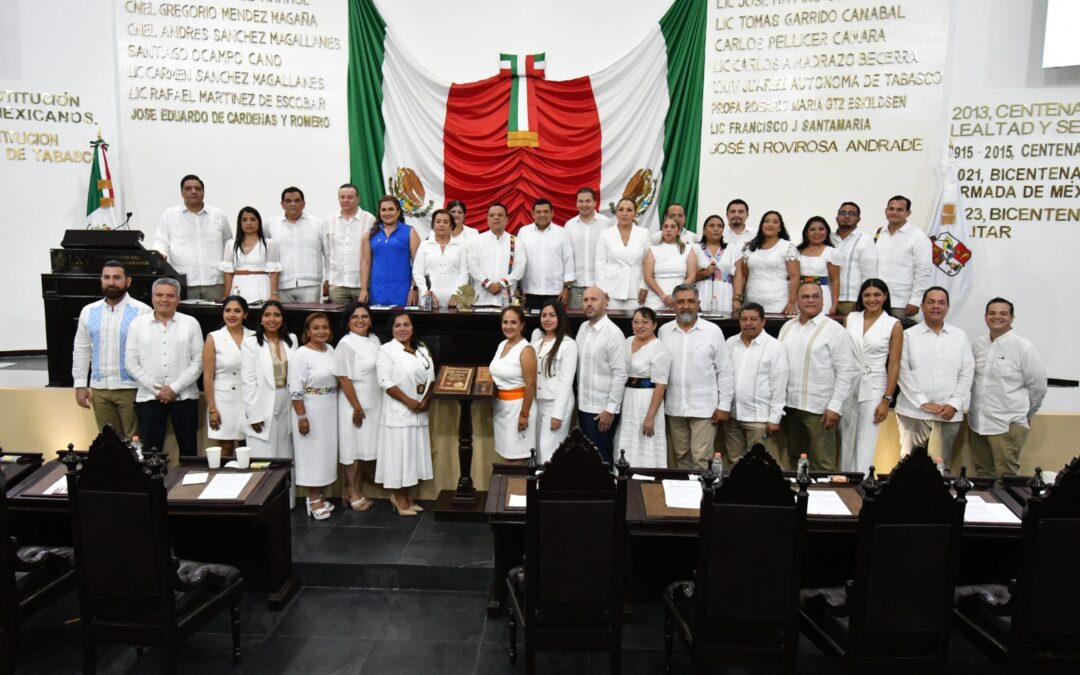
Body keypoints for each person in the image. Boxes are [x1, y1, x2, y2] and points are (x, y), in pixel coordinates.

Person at [778, 282, 857, 471]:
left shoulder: (835, 331)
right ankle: (800, 499)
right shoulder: (787, 327)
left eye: (816, 296)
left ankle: (824, 500)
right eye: (805, 297)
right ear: (797, 300)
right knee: (795, 459)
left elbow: (846, 372)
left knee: (822, 464)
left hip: (820, 410)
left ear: (823, 300)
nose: (810, 300)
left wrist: (835, 407)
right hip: (791, 407)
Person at [968, 298, 1048, 479]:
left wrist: (1025, 415)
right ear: (986, 317)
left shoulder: (1024, 348)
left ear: (1012, 318)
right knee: (983, 477)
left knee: (1006, 479)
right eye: (992, 313)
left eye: (1003, 313)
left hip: (1007, 424)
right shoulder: (978, 345)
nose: (997, 317)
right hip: (977, 424)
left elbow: (1038, 387)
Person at [72, 261, 151, 438]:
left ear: (128, 281)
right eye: (106, 277)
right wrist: (80, 385)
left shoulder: (142, 311)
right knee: (109, 443)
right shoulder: (89, 311)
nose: (111, 282)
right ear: (101, 280)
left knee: (135, 442)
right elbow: (82, 349)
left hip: (132, 388)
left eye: (117, 277)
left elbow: (148, 353)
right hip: (100, 389)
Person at [124, 278, 203, 456]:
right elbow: (130, 363)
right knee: (151, 452)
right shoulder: (138, 324)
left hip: (185, 396)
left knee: (189, 450)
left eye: (170, 296)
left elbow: (198, 362)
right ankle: (155, 484)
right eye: (159, 295)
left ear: (178, 299)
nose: (164, 300)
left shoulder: (191, 323)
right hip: (149, 396)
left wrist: (174, 388)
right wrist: (158, 389)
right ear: (152, 298)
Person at [895, 287, 974, 462]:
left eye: (941, 302)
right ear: (922, 306)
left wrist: (954, 404)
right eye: (930, 302)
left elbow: (967, 373)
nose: (936, 306)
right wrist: (923, 402)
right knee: (909, 467)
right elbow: (901, 371)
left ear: (947, 307)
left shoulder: (959, 336)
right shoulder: (908, 336)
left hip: (948, 414)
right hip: (913, 412)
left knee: (940, 467)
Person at [659, 284, 733, 470]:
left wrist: (724, 405)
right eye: (681, 302)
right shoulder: (664, 331)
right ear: (673, 305)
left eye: (691, 301)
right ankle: (685, 496)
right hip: (674, 407)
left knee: (701, 458)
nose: (686, 306)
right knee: (680, 455)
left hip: (704, 409)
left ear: (698, 304)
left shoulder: (713, 331)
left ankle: (703, 497)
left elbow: (724, 370)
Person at [839, 279, 901, 475]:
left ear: (885, 297)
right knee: (845, 435)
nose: (872, 299)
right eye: (867, 295)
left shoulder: (893, 324)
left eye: (877, 295)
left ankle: (861, 484)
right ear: (861, 297)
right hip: (849, 382)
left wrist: (886, 399)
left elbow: (894, 363)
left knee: (866, 437)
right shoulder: (850, 318)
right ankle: (843, 480)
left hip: (875, 384)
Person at [375, 311, 435, 515]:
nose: (402, 329)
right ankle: (398, 498)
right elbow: (385, 382)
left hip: (419, 411)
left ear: (412, 327)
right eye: (397, 325)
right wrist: (409, 401)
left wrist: (426, 398)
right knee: (398, 457)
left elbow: (432, 376)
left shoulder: (421, 349)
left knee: (412, 457)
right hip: (399, 412)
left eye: (406, 325)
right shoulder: (386, 350)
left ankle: (408, 496)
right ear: (391, 329)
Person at [723, 303, 788, 466]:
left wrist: (775, 417)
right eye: (744, 319)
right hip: (732, 416)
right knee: (734, 463)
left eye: (753, 319)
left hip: (760, 419)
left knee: (761, 466)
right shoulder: (730, 343)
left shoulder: (774, 347)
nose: (748, 323)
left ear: (763, 322)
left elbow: (779, 385)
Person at [289, 313, 339, 520]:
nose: (321, 332)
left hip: (329, 408)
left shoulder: (331, 350)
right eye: (316, 328)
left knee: (325, 455)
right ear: (307, 332)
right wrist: (302, 416)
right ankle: (312, 499)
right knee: (311, 455)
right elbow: (295, 389)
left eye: (325, 327)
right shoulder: (301, 354)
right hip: (309, 409)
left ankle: (321, 495)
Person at [152, 174, 232, 301]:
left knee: (217, 319)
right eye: (188, 188)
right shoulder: (169, 215)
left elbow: (229, 244)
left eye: (198, 188)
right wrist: (160, 254)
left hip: (215, 281)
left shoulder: (218, 215)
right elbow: (161, 242)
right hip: (184, 282)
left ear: (203, 192)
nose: (193, 191)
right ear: (181, 192)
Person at [334, 302, 381, 511]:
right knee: (351, 450)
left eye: (364, 316)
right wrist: (357, 407)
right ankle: (351, 491)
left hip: (373, 400)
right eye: (355, 317)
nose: (360, 320)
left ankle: (355, 488)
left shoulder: (374, 339)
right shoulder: (346, 343)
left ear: (370, 320)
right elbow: (343, 378)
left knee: (363, 450)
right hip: (354, 403)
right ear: (348, 322)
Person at [576, 287, 629, 464]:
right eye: (585, 300)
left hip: (601, 410)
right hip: (583, 405)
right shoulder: (583, 328)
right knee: (587, 459)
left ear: (606, 302)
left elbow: (621, 374)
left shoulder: (613, 333)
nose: (589, 303)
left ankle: (608, 492)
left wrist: (610, 409)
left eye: (594, 299)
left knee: (602, 459)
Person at [614, 307, 671, 468]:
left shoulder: (659, 349)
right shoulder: (626, 342)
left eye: (645, 322)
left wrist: (650, 417)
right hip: (627, 399)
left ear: (654, 325)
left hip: (646, 400)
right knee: (626, 441)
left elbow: (661, 385)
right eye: (636, 322)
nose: (640, 326)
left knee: (646, 443)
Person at [240, 301, 297, 461]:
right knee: (263, 459)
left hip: (287, 403)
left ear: (283, 319)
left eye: (277, 315)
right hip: (262, 405)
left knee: (285, 457)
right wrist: (254, 415)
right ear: (260, 319)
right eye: (267, 315)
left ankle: (286, 487)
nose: (272, 319)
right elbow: (248, 381)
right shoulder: (250, 343)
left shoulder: (291, 340)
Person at [203, 296, 255, 457]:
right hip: (223, 399)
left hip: (249, 398)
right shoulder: (214, 337)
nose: (232, 315)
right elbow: (207, 376)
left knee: (249, 448)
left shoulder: (254, 336)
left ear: (245, 315)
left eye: (237, 311)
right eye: (228, 310)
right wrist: (212, 409)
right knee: (225, 448)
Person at [530, 299, 577, 462]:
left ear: (560, 318)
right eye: (544, 315)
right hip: (538, 403)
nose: (547, 319)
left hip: (557, 404)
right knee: (537, 451)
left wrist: (558, 414)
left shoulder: (568, 344)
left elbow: (566, 381)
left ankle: (549, 487)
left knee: (549, 452)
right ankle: (537, 486)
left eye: (552, 315)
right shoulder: (536, 343)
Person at [490, 306, 538, 461]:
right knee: (506, 458)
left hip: (519, 409)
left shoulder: (526, 350)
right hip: (501, 408)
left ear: (522, 325)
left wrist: (524, 415)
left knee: (518, 460)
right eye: (505, 322)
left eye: (513, 322)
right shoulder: (501, 344)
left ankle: (519, 487)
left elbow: (530, 385)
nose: (508, 326)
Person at [265, 187, 327, 304]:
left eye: (297, 200)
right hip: (281, 284)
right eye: (288, 201)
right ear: (282, 204)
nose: (292, 204)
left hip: (310, 284)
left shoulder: (317, 223)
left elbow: (327, 252)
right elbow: (265, 255)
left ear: (303, 204)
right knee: (284, 321)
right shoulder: (270, 225)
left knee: (309, 320)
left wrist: (328, 279)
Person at [732, 211, 800, 316]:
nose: (770, 224)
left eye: (775, 222)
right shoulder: (749, 248)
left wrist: (791, 303)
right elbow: (744, 276)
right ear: (761, 225)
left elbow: (794, 277)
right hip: (752, 303)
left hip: (780, 304)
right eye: (766, 221)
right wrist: (738, 299)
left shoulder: (787, 247)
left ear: (780, 228)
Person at [874, 195, 931, 318]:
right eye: (891, 209)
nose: (894, 212)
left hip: (901, 303)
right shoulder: (879, 233)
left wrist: (915, 301)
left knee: (899, 336)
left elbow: (923, 272)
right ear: (886, 211)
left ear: (908, 213)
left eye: (899, 210)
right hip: (876, 300)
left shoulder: (918, 237)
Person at [361, 195, 421, 307]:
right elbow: (365, 262)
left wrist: (414, 289)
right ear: (379, 212)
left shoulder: (410, 231)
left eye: (391, 209)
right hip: (377, 292)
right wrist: (364, 289)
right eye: (383, 210)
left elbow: (418, 264)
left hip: (403, 293)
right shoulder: (371, 233)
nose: (387, 213)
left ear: (398, 212)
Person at [517, 198, 574, 309]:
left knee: (554, 324)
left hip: (555, 292)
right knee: (531, 325)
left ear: (552, 213)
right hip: (528, 292)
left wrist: (567, 288)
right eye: (538, 212)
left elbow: (568, 261)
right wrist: (518, 287)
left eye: (546, 211)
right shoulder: (523, 232)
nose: (542, 215)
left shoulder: (562, 233)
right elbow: (518, 261)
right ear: (533, 214)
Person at [595, 198, 650, 311]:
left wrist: (645, 286)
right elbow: (599, 264)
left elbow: (648, 263)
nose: (624, 214)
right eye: (621, 209)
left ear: (635, 213)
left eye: (629, 210)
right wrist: (602, 290)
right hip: (611, 291)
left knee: (635, 325)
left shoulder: (644, 233)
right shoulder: (605, 234)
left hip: (636, 290)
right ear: (616, 212)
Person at [324, 183, 376, 304]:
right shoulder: (329, 220)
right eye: (342, 197)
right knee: (339, 321)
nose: (345, 200)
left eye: (350, 197)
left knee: (362, 319)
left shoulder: (369, 220)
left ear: (358, 199)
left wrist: (365, 286)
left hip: (361, 285)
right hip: (337, 285)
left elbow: (373, 252)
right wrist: (326, 279)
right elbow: (326, 251)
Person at [468, 203, 527, 307]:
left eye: (500, 215)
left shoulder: (516, 242)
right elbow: (472, 266)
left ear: (506, 219)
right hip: (481, 300)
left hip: (506, 301)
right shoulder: (477, 241)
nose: (496, 218)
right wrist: (488, 284)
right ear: (487, 219)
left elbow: (520, 269)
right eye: (492, 215)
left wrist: (501, 284)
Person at [564, 187, 611, 309]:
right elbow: (567, 257)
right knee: (577, 324)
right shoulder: (569, 226)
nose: (584, 204)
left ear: (595, 202)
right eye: (581, 201)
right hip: (576, 287)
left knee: (599, 322)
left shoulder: (606, 223)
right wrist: (567, 286)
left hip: (600, 286)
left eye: (588, 201)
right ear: (576, 203)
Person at [221, 206, 281, 303]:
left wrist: (274, 293)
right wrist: (226, 295)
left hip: (261, 284)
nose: (249, 223)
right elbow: (228, 272)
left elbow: (274, 271)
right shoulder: (231, 244)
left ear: (259, 222)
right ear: (240, 223)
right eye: (244, 220)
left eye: (253, 219)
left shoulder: (269, 244)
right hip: (238, 285)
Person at [413, 209, 469, 309]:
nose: (441, 225)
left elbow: (463, 274)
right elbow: (417, 272)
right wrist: (427, 293)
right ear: (433, 226)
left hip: (454, 301)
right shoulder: (424, 245)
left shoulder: (460, 247)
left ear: (451, 225)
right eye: (438, 222)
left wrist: (456, 295)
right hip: (429, 301)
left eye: (445, 222)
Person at [831, 201, 878, 315]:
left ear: (858, 219)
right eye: (843, 213)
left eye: (852, 214)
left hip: (852, 300)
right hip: (827, 299)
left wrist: (864, 301)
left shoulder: (865, 240)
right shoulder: (828, 238)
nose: (846, 216)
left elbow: (869, 275)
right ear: (837, 218)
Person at [642, 216, 697, 311]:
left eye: (672, 227)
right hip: (655, 298)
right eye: (666, 227)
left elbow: (692, 276)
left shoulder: (688, 249)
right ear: (662, 230)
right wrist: (662, 296)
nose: (668, 230)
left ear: (679, 231)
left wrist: (676, 295)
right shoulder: (653, 249)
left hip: (679, 299)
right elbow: (648, 276)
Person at [796, 216, 840, 315]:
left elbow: (835, 280)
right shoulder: (797, 251)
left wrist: (834, 305)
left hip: (821, 293)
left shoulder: (832, 252)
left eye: (821, 229)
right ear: (806, 233)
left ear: (827, 232)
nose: (817, 233)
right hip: (801, 294)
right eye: (812, 230)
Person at [693, 214, 737, 314]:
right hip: (701, 291)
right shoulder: (695, 248)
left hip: (725, 293)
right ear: (704, 230)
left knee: (726, 324)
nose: (716, 229)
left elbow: (738, 276)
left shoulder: (732, 248)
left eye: (719, 226)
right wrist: (704, 273)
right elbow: (688, 275)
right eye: (712, 226)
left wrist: (737, 299)